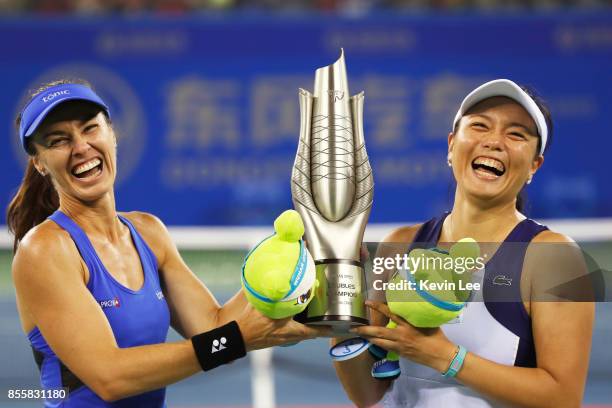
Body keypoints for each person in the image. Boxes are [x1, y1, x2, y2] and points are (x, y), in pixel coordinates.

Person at [8, 79, 328, 407]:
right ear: (40, 163)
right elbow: (109, 377)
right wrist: (235, 339)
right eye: (59, 140)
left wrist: (288, 267)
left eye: (90, 128)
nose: (80, 147)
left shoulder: (148, 232)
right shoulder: (45, 250)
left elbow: (213, 327)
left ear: (112, 134)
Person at [332, 79, 595, 407]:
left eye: (515, 134)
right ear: (452, 145)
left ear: (533, 165)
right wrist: (338, 289)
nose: (494, 142)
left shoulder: (553, 257)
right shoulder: (399, 244)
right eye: (480, 126)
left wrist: (446, 356)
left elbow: (563, 398)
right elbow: (369, 394)